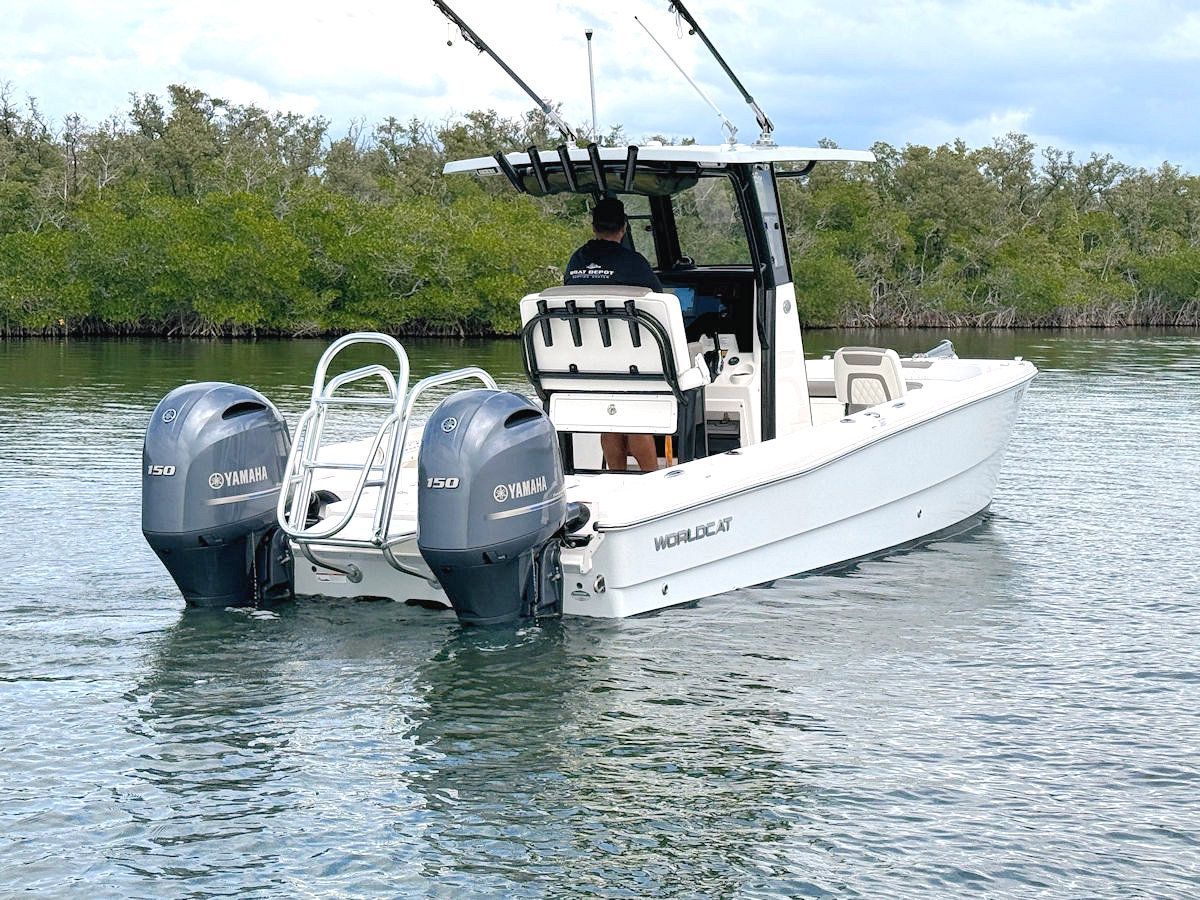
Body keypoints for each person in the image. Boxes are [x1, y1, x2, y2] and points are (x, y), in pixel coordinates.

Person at [564, 197, 663, 472]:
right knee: (635, 412)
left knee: (612, 413)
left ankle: (616, 475)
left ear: (594, 227)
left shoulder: (575, 262)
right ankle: (652, 477)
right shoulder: (634, 263)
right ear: (624, 228)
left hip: (588, 364)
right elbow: (662, 304)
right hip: (631, 364)